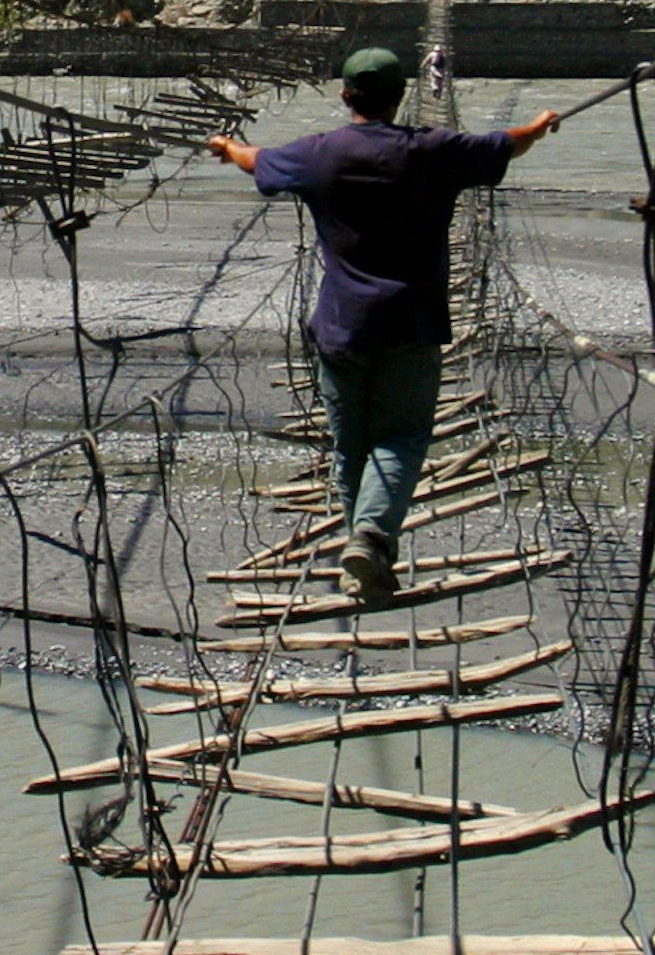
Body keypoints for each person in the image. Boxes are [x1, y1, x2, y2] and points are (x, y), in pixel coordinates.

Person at [211, 48, 562, 606]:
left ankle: (361, 560)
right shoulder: (434, 150)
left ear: (345, 95)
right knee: (400, 437)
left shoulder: (317, 156)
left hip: (340, 325)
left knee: (352, 447)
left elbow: (261, 161)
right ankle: (372, 540)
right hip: (412, 322)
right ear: (402, 95)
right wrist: (541, 126)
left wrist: (229, 148)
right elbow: (504, 144)